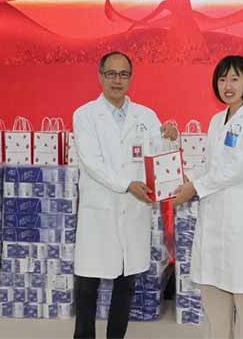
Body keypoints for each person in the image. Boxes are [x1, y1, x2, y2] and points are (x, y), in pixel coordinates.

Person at [72, 51, 178, 339]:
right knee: (87, 288)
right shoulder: (85, 115)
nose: (116, 80)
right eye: (111, 74)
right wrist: (126, 184)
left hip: (133, 210)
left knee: (125, 285)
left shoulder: (146, 116)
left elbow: (159, 155)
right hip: (99, 211)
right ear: (100, 76)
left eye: (123, 74)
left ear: (131, 78)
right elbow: (92, 162)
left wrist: (170, 137)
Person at [173, 55, 243, 339]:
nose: (227, 86)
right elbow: (210, 165)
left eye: (234, 79)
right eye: (222, 79)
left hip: (241, 219)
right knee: (214, 292)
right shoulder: (217, 120)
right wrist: (186, 180)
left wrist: (195, 187)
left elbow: (235, 169)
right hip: (214, 218)